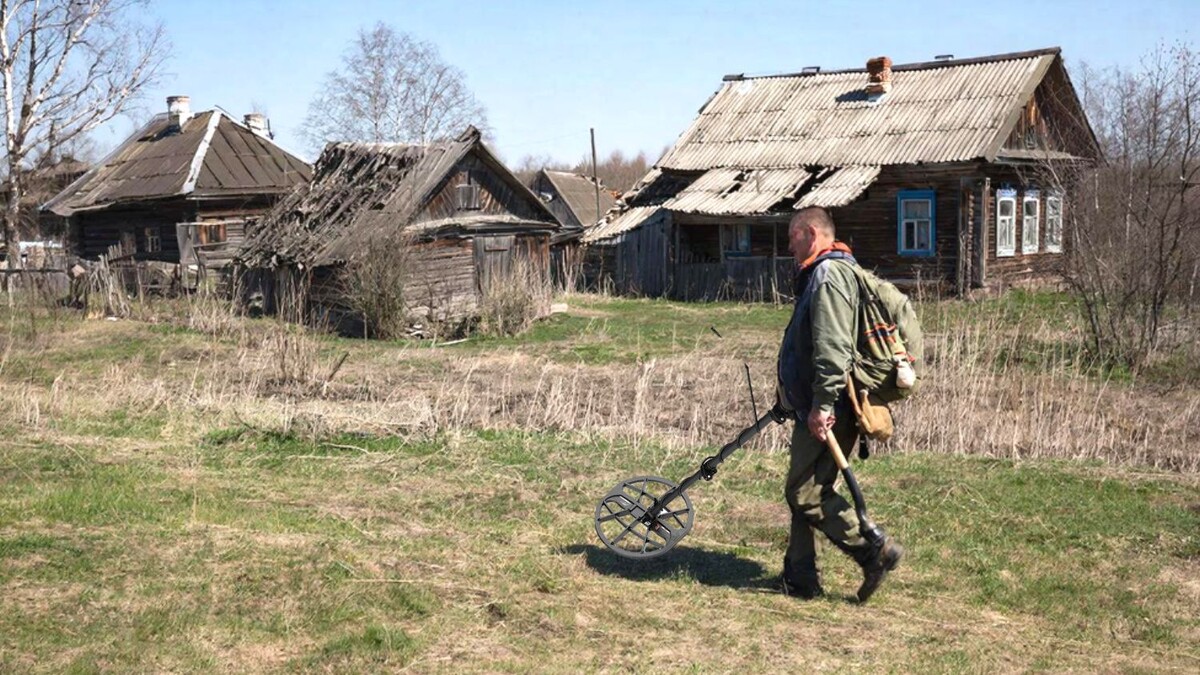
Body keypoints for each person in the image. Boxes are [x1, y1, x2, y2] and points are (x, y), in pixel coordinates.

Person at [775, 206, 902, 603]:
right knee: (807, 485)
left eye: (793, 237)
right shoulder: (826, 272)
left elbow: (832, 349)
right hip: (819, 402)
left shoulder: (829, 277)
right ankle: (800, 578)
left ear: (811, 233)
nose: (789, 246)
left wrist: (823, 405)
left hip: (833, 405)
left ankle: (872, 550)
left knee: (804, 490)